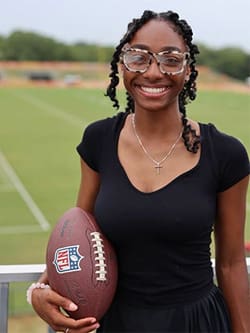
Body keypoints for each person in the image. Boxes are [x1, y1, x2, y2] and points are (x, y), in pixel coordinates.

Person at [29, 10, 250, 333]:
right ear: (122, 66)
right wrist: (38, 291)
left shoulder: (226, 153)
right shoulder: (99, 140)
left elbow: (230, 264)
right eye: (138, 58)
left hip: (196, 322)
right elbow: (78, 237)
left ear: (188, 70)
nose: (153, 72)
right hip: (117, 322)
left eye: (170, 59)